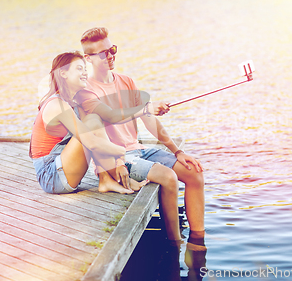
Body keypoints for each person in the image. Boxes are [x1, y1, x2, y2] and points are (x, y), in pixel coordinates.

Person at [76, 27, 206, 243]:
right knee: (168, 177)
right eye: (103, 54)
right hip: (115, 159)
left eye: (112, 50)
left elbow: (149, 121)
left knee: (194, 173)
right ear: (87, 58)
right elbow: (112, 116)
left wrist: (177, 151)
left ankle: (198, 240)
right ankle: (176, 243)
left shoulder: (126, 81)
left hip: (139, 150)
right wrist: (145, 108)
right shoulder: (85, 91)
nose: (110, 56)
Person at [30, 51, 148, 195]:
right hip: (51, 176)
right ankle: (118, 179)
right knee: (90, 127)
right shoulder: (57, 104)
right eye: (79, 68)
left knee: (93, 119)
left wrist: (119, 161)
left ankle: (106, 179)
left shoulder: (74, 103)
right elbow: (91, 143)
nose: (85, 73)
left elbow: (96, 137)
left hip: (64, 168)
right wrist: (121, 153)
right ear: (63, 73)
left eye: (85, 69)